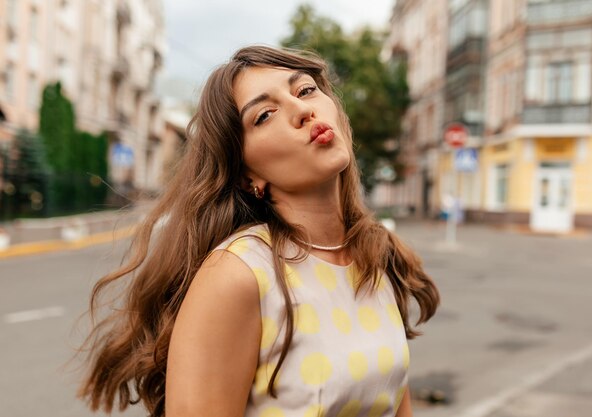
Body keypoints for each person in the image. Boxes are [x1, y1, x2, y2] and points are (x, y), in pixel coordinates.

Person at [78, 45, 440, 417]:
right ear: (246, 173)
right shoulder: (239, 274)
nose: (302, 111)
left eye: (305, 90)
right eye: (265, 115)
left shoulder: (372, 255)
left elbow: (395, 404)